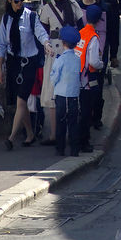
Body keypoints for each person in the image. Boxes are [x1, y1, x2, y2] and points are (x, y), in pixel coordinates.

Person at [0, 0, 54, 150]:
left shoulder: (31, 16)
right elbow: (2, 45)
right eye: (16, 1)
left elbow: (40, 33)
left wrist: (46, 44)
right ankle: (30, 133)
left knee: (22, 100)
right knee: (19, 103)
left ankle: (11, 137)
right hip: (14, 62)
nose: (20, 4)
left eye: (22, 0)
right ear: (9, 1)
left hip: (29, 62)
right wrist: (0, 68)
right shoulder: (6, 19)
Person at [39, 0, 84, 146]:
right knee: (52, 93)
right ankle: (54, 134)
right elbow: (42, 32)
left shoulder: (72, 5)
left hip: (70, 55)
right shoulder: (47, 9)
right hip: (53, 55)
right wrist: (46, 46)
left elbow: (81, 29)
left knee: (71, 92)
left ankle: (70, 134)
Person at [78, 0, 107, 129]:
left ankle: (96, 117)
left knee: (96, 87)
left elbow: (103, 33)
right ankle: (84, 119)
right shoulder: (77, 6)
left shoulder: (100, 8)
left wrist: (99, 54)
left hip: (96, 53)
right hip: (81, 55)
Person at [76, 6, 104, 151]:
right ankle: (83, 142)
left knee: (79, 111)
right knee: (86, 112)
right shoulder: (93, 38)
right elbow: (93, 61)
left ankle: (77, 140)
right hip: (88, 78)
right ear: (99, 21)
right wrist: (102, 64)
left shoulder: (81, 33)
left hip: (77, 76)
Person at [50, 25, 81, 156]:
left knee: (61, 122)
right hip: (74, 96)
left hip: (61, 96)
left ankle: (60, 148)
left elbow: (54, 77)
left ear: (63, 43)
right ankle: (74, 149)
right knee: (73, 123)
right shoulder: (77, 59)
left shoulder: (60, 59)